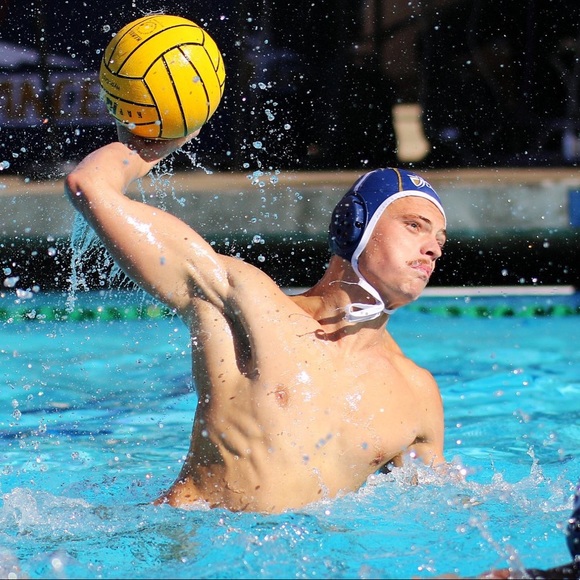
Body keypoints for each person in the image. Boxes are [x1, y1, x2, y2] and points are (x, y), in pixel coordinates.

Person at [65, 124, 448, 513]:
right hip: (186, 540)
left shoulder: (416, 394)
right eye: (414, 225)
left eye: (440, 240)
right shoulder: (248, 304)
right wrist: (151, 146)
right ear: (353, 224)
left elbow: (435, 514)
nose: (432, 248)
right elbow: (90, 187)